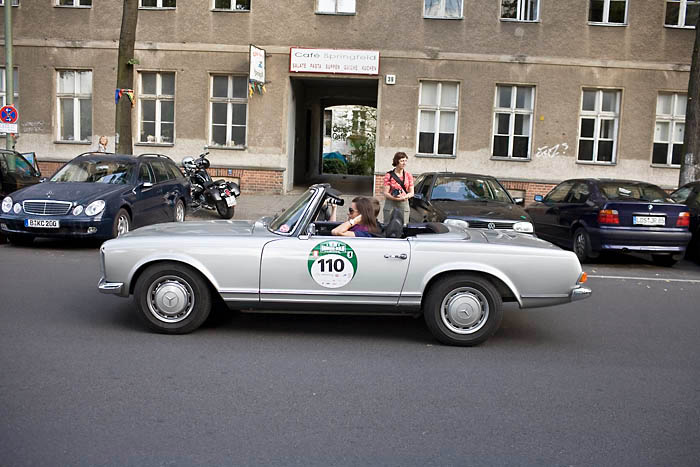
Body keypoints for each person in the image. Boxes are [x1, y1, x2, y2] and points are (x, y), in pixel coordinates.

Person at [383, 151, 414, 224]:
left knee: (404, 225)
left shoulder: (408, 175)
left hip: (404, 202)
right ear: (396, 161)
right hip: (390, 202)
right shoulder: (389, 175)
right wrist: (395, 198)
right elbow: (385, 193)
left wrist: (404, 197)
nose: (404, 163)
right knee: (388, 224)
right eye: (402, 161)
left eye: (405, 161)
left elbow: (412, 192)